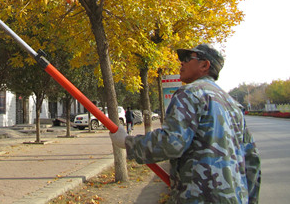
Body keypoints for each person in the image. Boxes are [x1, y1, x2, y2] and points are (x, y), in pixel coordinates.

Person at [110, 44, 261, 203]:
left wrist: (128, 142)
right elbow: (252, 161)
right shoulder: (233, 104)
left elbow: (171, 142)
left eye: (188, 58)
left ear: (204, 65)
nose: (181, 62)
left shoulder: (190, 93)